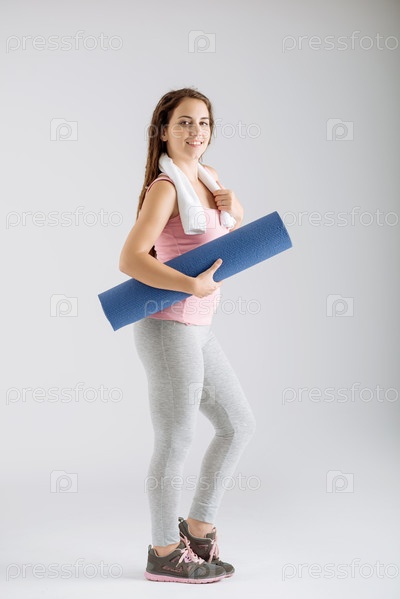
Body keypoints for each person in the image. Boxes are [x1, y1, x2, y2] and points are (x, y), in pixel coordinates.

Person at [119, 87, 257, 584]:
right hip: (167, 327)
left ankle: (197, 531)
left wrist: (237, 210)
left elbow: (220, 239)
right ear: (163, 131)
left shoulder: (209, 178)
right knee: (176, 438)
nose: (195, 132)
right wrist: (188, 284)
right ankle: (163, 551)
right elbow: (131, 259)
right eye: (183, 122)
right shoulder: (165, 187)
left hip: (199, 327)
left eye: (203, 122)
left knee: (237, 425)